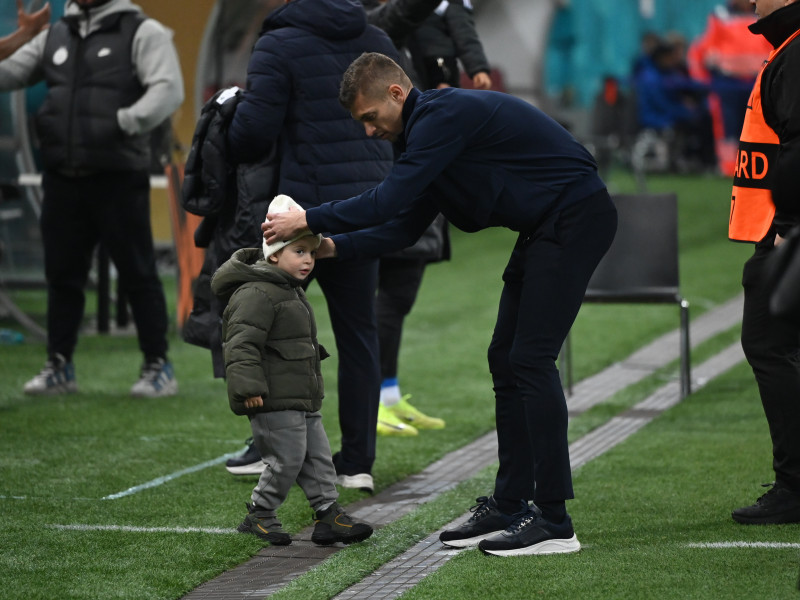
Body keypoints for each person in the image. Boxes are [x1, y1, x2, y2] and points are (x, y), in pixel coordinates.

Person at [263, 52, 618, 556]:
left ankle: (555, 523)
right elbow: (404, 225)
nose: (368, 132)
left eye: (370, 118)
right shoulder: (421, 133)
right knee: (506, 358)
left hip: (576, 216)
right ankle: (511, 502)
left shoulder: (441, 117)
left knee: (530, 359)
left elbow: (386, 201)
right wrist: (330, 247)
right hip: (547, 226)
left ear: (396, 94)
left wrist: (307, 219)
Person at [224, 0, 399, 493]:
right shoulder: (378, 40)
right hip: (366, 204)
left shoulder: (278, 42)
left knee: (273, 326)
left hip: (297, 213)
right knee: (359, 332)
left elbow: (252, 133)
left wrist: (229, 113)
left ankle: (270, 449)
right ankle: (358, 461)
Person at [0, 0, 184, 397]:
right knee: (62, 276)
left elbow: (169, 90)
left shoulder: (142, 31)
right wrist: (21, 37)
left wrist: (123, 122)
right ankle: (59, 366)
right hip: (62, 176)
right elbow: (6, 75)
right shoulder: (54, 33)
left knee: (138, 273)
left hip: (117, 174)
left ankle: (158, 366)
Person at [210, 195, 373, 547]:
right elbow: (241, 345)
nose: (308, 260)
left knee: (317, 457)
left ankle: (328, 515)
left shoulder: (288, 290)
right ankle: (260, 513)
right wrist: (248, 387)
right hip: (271, 396)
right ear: (273, 254)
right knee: (285, 460)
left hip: (301, 395)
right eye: (299, 251)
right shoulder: (256, 292)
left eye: (312, 253)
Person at [728, 0, 800, 525]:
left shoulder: (795, 54)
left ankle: (795, 487)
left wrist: (786, 227)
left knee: (772, 349)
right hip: (781, 231)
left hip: (783, 236)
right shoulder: (786, 49)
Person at [687, 0, 772, 175]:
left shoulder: (764, 12)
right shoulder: (720, 15)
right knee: (727, 126)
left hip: (758, 79)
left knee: (758, 124)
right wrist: (705, 79)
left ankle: (757, 166)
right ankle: (728, 166)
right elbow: (704, 49)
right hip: (727, 82)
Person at [405, 0, 491, 91]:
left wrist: (478, 68)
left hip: (439, 63)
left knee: (444, 95)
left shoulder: (449, 4)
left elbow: (465, 35)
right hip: (412, 61)